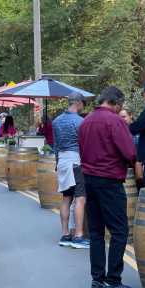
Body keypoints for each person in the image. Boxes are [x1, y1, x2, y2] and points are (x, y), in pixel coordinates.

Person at [79, 86, 138, 288]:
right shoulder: (114, 121)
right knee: (119, 231)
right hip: (109, 180)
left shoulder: (86, 121)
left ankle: (97, 281)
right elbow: (130, 151)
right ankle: (113, 281)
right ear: (116, 103)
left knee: (95, 232)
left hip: (89, 179)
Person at [53, 92, 89, 249]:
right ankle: (79, 236)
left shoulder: (56, 122)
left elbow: (55, 146)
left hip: (62, 161)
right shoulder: (81, 122)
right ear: (79, 103)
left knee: (66, 198)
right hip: (76, 162)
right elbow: (85, 146)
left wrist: (57, 163)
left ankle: (65, 234)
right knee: (80, 198)